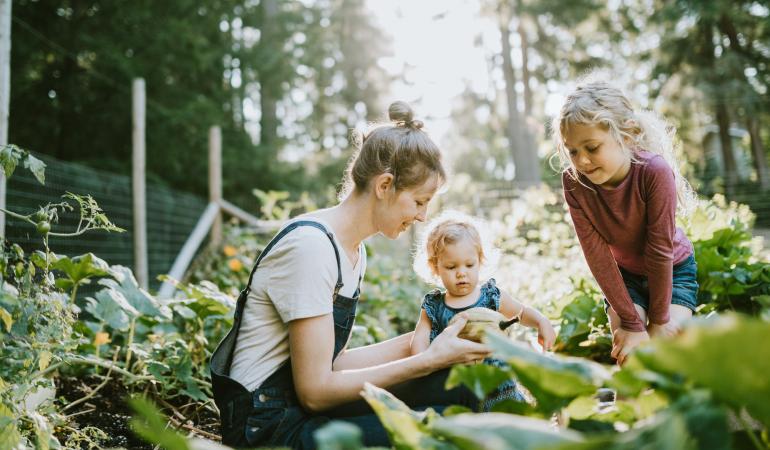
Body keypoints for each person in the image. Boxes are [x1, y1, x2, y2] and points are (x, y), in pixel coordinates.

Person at [210, 101, 491, 449]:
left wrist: (430, 338)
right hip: (269, 430)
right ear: (385, 185)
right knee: (443, 428)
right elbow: (315, 391)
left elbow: (332, 362)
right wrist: (426, 360)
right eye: (419, 201)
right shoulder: (311, 248)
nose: (422, 217)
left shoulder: (352, 250)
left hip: (300, 409)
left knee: (464, 383)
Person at [552, 80, 699, 366]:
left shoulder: (654, 172)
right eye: (572, 151)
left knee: (665, 355)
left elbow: (659, 251)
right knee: (631, 356)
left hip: (673, 269)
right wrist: (631, 324)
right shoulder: (574, 183)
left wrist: (658, 321)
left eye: (592, 147)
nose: (581, 161)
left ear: (628, 136)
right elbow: (597, 256)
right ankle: (629, 411)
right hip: (624, 278)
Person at [409, 211, 556, 410]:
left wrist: (540, 321)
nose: (462, 272)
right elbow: (419, 344)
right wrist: (424, 363)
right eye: (451, 267)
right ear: (436, 268)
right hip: (459, 391)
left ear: (480, 261)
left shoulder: (491, 296)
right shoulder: (433, 307)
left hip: (500, 389)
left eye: (469, 265)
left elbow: (521, 312)